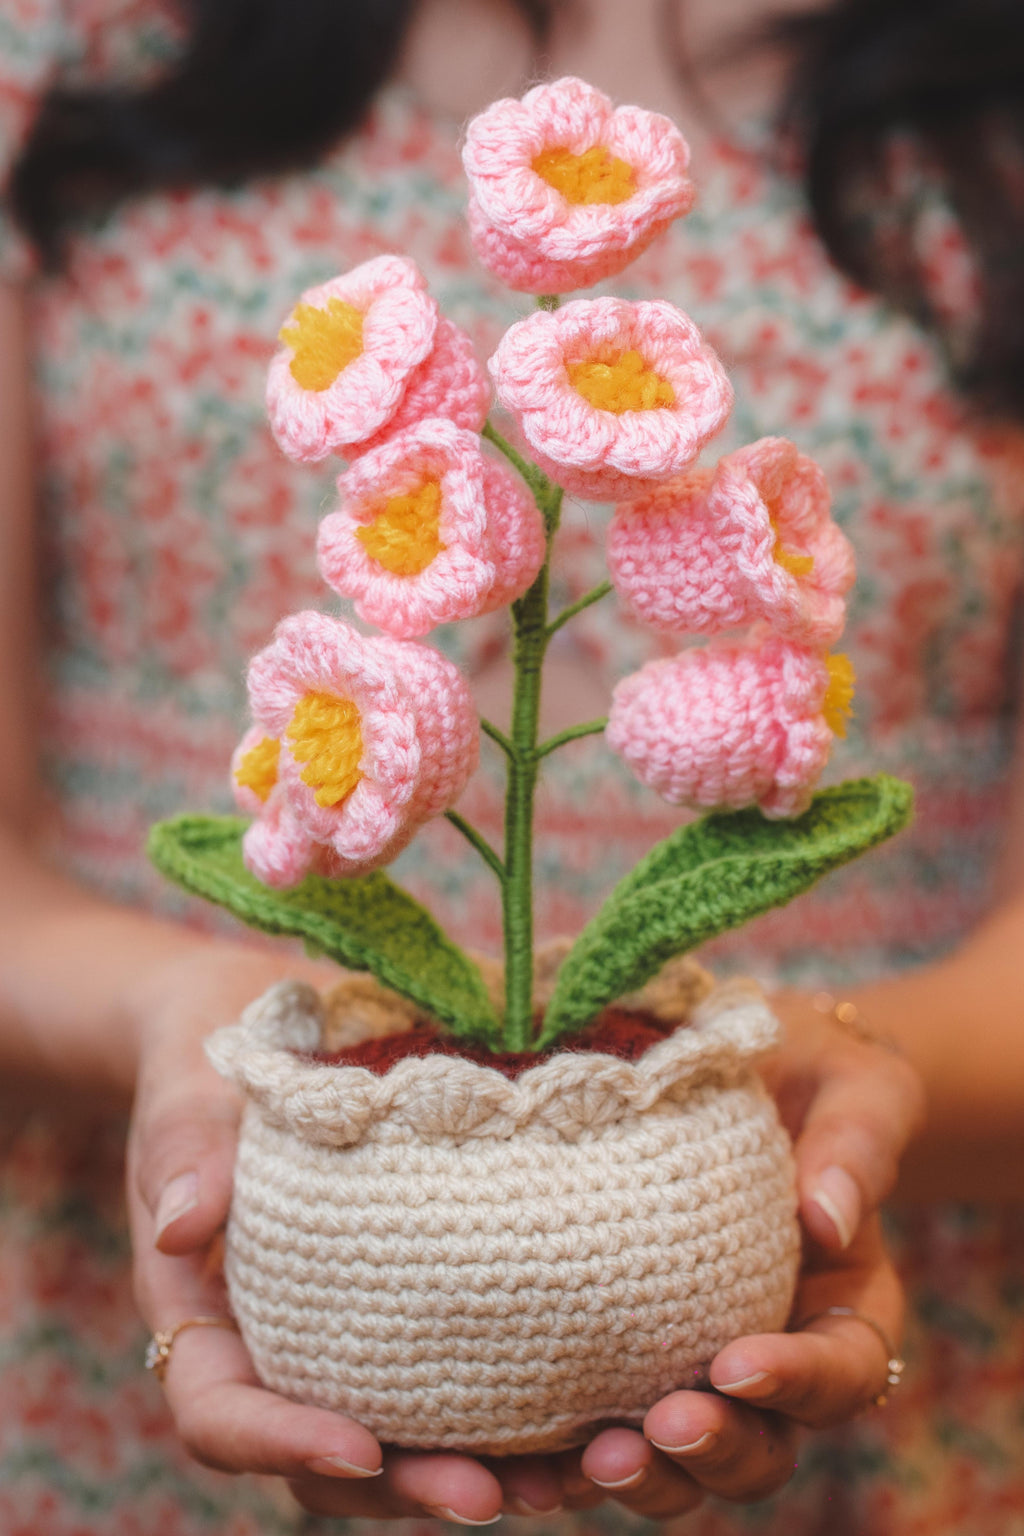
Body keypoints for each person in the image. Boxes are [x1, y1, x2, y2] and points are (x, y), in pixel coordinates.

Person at [0, 0, 1020, 1530]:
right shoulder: (65, 46)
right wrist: (167, 1015)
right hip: (185, 1286)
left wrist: (858, 1078)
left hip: (864, 1309)